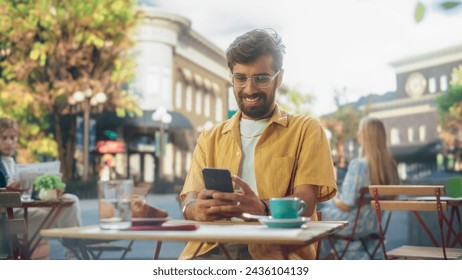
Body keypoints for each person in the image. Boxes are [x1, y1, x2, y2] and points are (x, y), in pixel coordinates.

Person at [179, 29, 337, 260]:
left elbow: (306, 201)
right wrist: (194, 209)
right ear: (231, 78)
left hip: (276, 251)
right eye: (240, 78)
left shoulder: (306, 130)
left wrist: (262, 210)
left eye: (261, 78)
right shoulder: (209, 137)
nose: (250, 89)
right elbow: (189, 198)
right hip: (210, 250)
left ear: (279, 78)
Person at [0, 117, 82, 259]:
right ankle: (77, 259)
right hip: (8, 221)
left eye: (13, 138)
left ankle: (75, 258)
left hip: (23, 212)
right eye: (3, 137)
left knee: (71, 200)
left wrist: (50, 192)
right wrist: (8, 192)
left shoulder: (13, 162)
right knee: (66, 211)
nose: (9, 142)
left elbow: (29, 197)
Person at [319, 116, 400, 259]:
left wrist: (331, 199)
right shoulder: (390, 167)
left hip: (354, 224)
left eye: (360, 131)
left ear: (365, 136)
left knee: (317, 213)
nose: (357, 135)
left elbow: (345, 205)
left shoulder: (359, 165)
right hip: (376, 225)